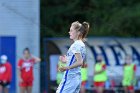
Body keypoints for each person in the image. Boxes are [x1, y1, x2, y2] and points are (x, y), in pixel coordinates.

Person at [56, 21, 90, 93]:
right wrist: (67, 60)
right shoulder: (81, 44)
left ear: (78, 32)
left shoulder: (76, 45)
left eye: (71, 30)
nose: (69, 32)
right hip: (76, 78)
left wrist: (66, 67)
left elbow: (80, 62)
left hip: (70, 77)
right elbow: (81, 62)